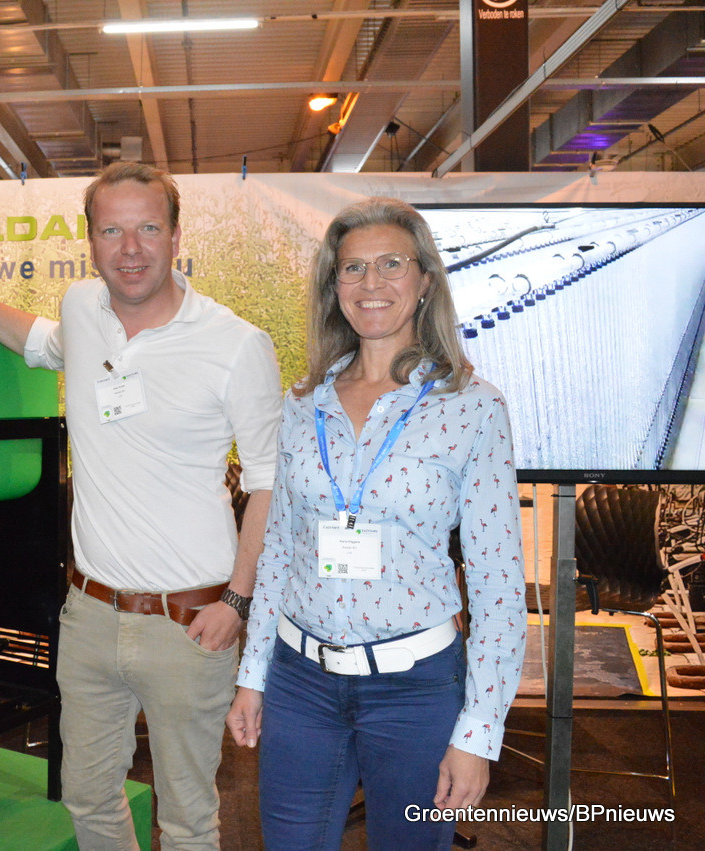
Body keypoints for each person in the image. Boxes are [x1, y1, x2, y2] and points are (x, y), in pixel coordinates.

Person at [0, 162, 282, 850]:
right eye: (112, 231)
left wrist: (236, 602)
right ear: (91, 240)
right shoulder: (83, 308)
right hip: (89, 616)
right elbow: (40, 342)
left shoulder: (236, 344)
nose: (130, 248)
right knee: (87, 797)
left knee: (188, 819)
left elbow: (269, 482)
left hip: (189, 623)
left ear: (176, 235)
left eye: (148, 228)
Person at [226, 197, 527, 849]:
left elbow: (499, 584)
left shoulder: (473, 408)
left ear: (425, 281)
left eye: (392, 263)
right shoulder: (303, 403)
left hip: (416, 689)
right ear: (334, 287)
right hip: (301, 683)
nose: (371, 282)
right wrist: (253, 674)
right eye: (353, 268)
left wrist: (479, 731)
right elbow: (279, 550)